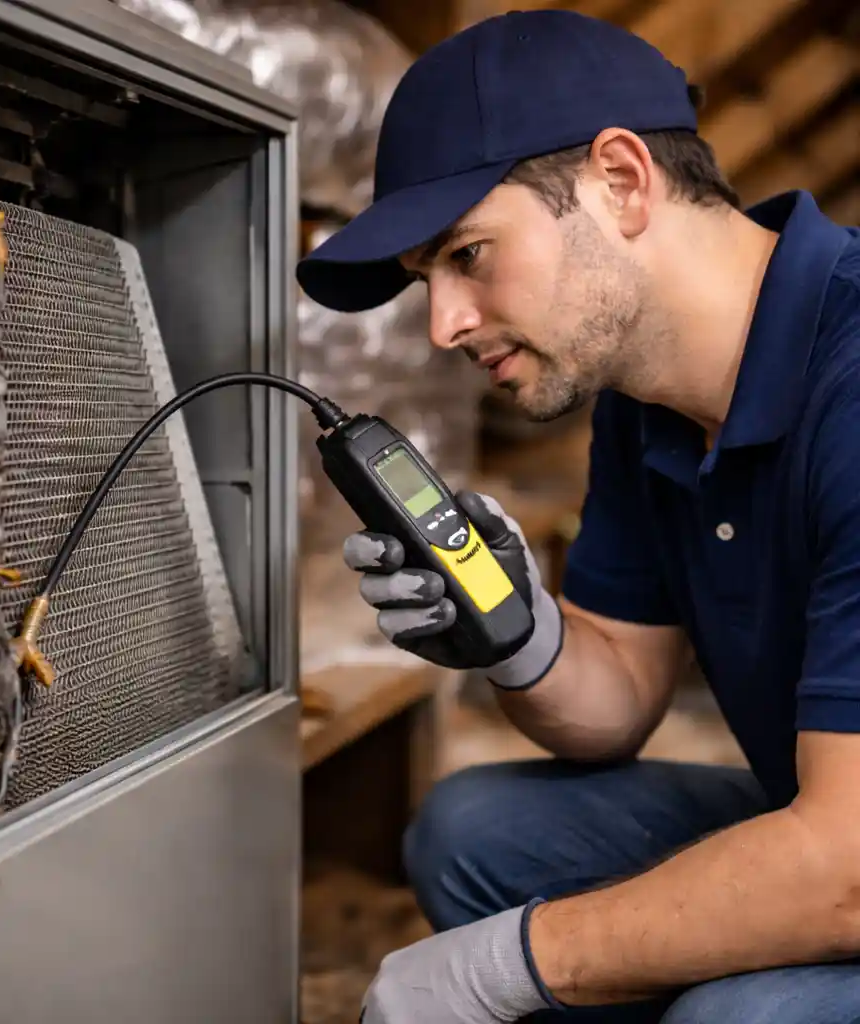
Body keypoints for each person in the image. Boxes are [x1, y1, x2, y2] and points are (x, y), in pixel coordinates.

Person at [295, 8, 860, 1024]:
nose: (442, 326)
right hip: (834, 824)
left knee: (747, 1017)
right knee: (476, 829)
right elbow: (617, 704)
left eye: (466, 255)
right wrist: (518, 632)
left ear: (621, 180)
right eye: (429, 280)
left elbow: (848, 869)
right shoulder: (645, 396)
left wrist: (502, 965)